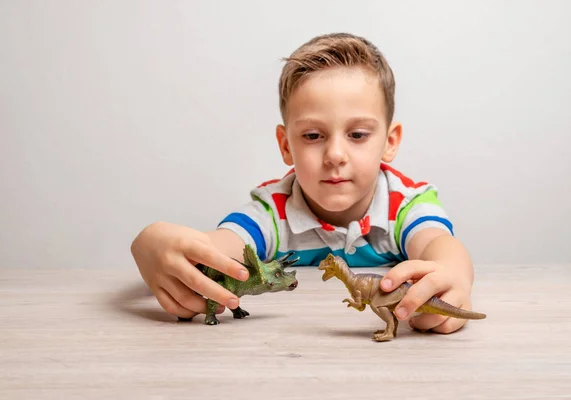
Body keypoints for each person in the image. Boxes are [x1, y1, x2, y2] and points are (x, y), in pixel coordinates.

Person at [130, 32, 476, 334]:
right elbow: (214, 251)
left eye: (357, 134)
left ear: (390, 141)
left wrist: (452, 276)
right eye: (313, 135)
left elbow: (440, 246)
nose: (335, 154)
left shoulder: (406, 204)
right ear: (285, 145)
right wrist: (155, 243)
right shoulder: (271, 213)